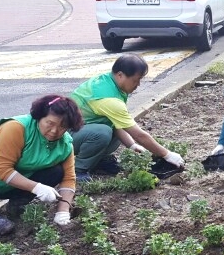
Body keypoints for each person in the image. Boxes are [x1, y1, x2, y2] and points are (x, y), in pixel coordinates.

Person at [70, 54, 185, 182]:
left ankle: (98, 161)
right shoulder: (108, 99)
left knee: (115, 126)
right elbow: (138, 135)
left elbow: (120, 125)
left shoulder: (108, 82)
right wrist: (167, 154)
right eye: (136, 80)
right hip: (65, 137)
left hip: (82, 130)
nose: (138, 84)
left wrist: (132, 146)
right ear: (120, 75)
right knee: (103, 133)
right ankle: (78, 169)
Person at [0, 95, 84, 235]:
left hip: (11, 184)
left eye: (62, 127)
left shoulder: (65, 145)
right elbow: (1, 169)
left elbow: (69, 179)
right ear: (40, 117)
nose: (54, 131)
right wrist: (37, 188)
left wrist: (63, 210)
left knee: (57, 171)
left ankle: (16, 205)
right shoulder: (16, 128)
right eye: (50, 123)